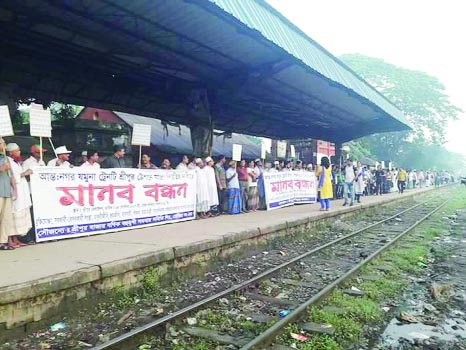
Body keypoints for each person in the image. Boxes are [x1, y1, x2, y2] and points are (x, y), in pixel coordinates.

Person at [6, 143, 32, 248]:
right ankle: (10, 240)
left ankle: (16, 239)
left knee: (21, 215)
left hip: (22, 193)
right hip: (15, 192)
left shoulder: (16, 162)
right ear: (11, 152)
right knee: (13, 216)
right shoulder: (8, 161)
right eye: (17, 150)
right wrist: (24, 174)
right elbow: (10, 176)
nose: (19, 152)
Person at [0, 137, 15, 250]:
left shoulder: (6, 158)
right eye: (3, 143)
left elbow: (11, 175)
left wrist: (14, 189)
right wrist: (2, 168)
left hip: (6, 191)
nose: (5, 145)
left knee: (6, 218)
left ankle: (3, 241)